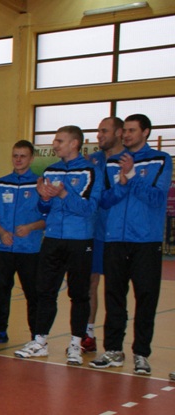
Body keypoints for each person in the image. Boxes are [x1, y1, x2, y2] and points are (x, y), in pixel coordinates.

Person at [90, 114, 172, 375]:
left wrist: (132, 176)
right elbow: (104, 200)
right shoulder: (112, 162)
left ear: (145, 132)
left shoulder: (161, 160)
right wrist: (122, 185)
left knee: (146, 297)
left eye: (132, 130)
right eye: (124, 130)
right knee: (114, 296)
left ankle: (141, 354)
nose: (126, 135)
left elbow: (156, 198)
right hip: (115, 239)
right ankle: (113, 350)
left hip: (145, 241)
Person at [14, 126, 100, 365]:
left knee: (79, 293)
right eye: (55, 140)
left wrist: (63, 195)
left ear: (74, 143)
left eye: (59, 141)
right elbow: (44, 209)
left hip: (79, 239)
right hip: (52, 238)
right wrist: (44, 198)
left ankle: (76, 344)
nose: (55, 144)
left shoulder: (90, 171)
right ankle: (40, 341)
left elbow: (89, 208)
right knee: (44, 291)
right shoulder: (51, 170)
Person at [0, 141, 44, 344]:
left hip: (30, 250)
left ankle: (36, 336)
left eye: (23, 156)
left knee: (33, 294)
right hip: (3, 248)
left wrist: (30, 227)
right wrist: (1, 232)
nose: (18, 160)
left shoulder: (40, 184)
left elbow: (49, 217)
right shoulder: (1, 184)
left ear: (31, 158)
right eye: (15, 155)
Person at [83, 116, 124, 353]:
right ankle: (88, 334)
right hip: (94, 231)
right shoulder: (92, 161)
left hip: (121, 233)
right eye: (98, 131)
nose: (99, 135)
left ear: (118, 133)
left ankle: (115, 343)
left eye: (104, 131)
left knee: (117, 288)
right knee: (90, 282)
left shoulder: (128, 160)